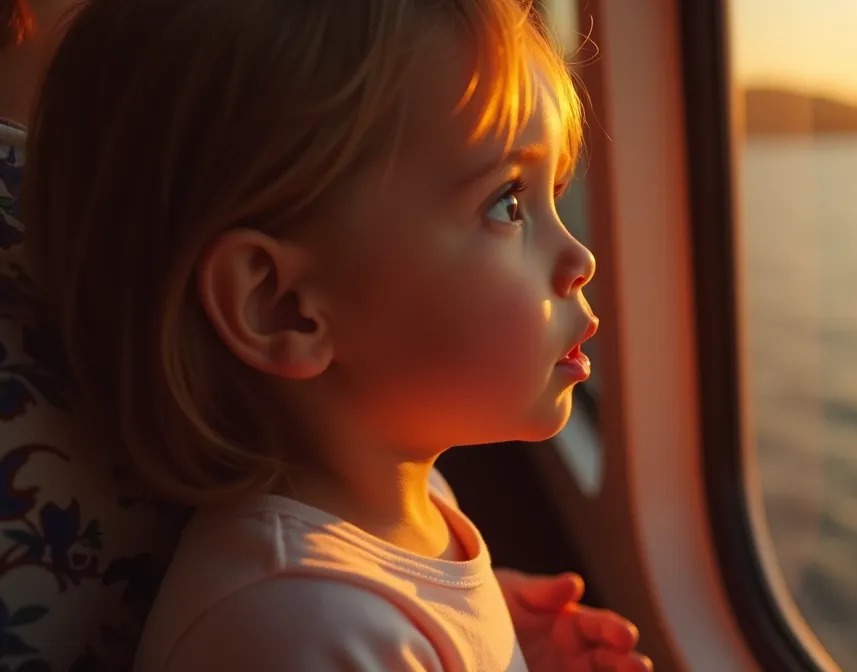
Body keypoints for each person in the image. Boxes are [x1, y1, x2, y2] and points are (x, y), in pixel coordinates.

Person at [21, 0, 649, 670]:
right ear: (281, 307)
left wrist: (508, 647)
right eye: (509, 203)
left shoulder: (409, 510)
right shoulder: (300, 632)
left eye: (555, 191)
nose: (580, 259)